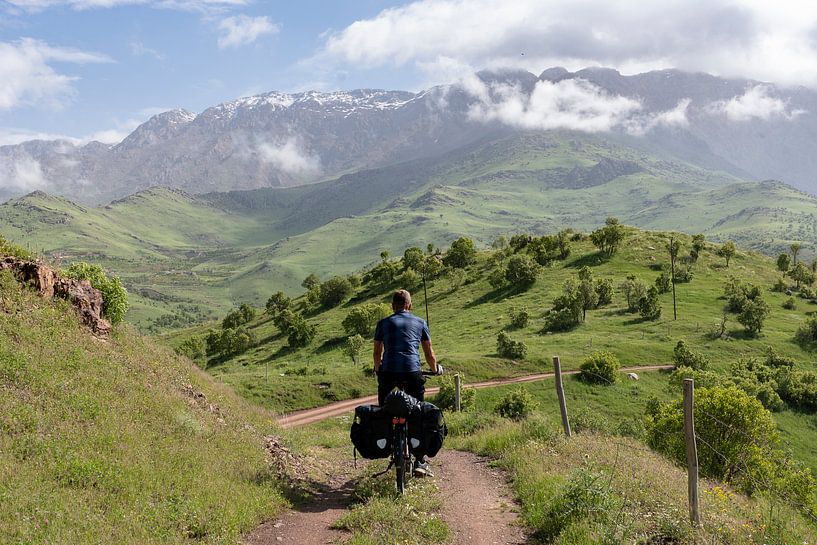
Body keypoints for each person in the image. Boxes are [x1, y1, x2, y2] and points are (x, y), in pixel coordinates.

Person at [373, 289, 441, 476]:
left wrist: (379, 370)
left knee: (384, 409)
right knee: (417, 411)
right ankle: (420, 460)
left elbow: (377, 353)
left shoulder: (383, 323)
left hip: (388, 373)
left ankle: (386, 443)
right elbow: (429, 354)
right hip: (412, 372)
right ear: (409, 305)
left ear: (393, 306)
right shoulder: (420, 322)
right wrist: (435, 369)